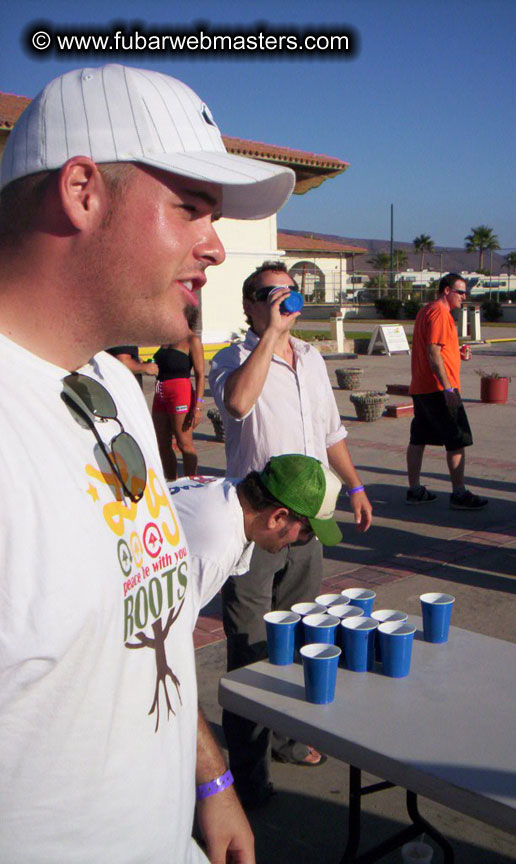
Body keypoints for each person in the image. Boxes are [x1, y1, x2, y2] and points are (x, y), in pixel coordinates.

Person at [0, 62, 295, 863]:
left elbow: (149, 623)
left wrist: (209, 780)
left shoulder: (115, 388)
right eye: (191, 208)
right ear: (83, 191)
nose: (215, 245)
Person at [209, 260, 372, 808]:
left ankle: (283, 738)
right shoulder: (231, 360)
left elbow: (331, 432)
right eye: (269, 293)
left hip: (308, 523)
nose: (283, 299)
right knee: (251, 650)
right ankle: (247, 778)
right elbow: (237, 404)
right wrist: (272, 334)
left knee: (301, 637)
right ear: (250, 306)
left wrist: (354, 487)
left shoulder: (313, 358)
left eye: (290, 290)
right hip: (256, 528)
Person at [172, 454, 343, 600]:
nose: (305, 539)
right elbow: (168, 626)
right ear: (278, 517)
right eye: (307, 530)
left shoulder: (233, 492)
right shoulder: (217, 549)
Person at [406, 272, 487, 510]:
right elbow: (433, 352)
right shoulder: (441, 313)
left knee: (418, 438)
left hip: (422, 387)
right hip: (439, 389)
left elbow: (436, 349)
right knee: (456, 439)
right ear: (447, 291)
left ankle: (414, 490)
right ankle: (459, 493)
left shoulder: (427, 311)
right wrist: (448, 388)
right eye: (461, 292)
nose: (464, 297)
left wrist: (458, 353)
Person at [153, 323, 205, 480]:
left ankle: (191, 483)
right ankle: (171, 483)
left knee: (184, 443)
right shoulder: (167, 338)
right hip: (160, 391)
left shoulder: (192, 340)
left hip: (180, 392)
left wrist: (198, 406)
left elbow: (200, 374)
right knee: (162, 444)